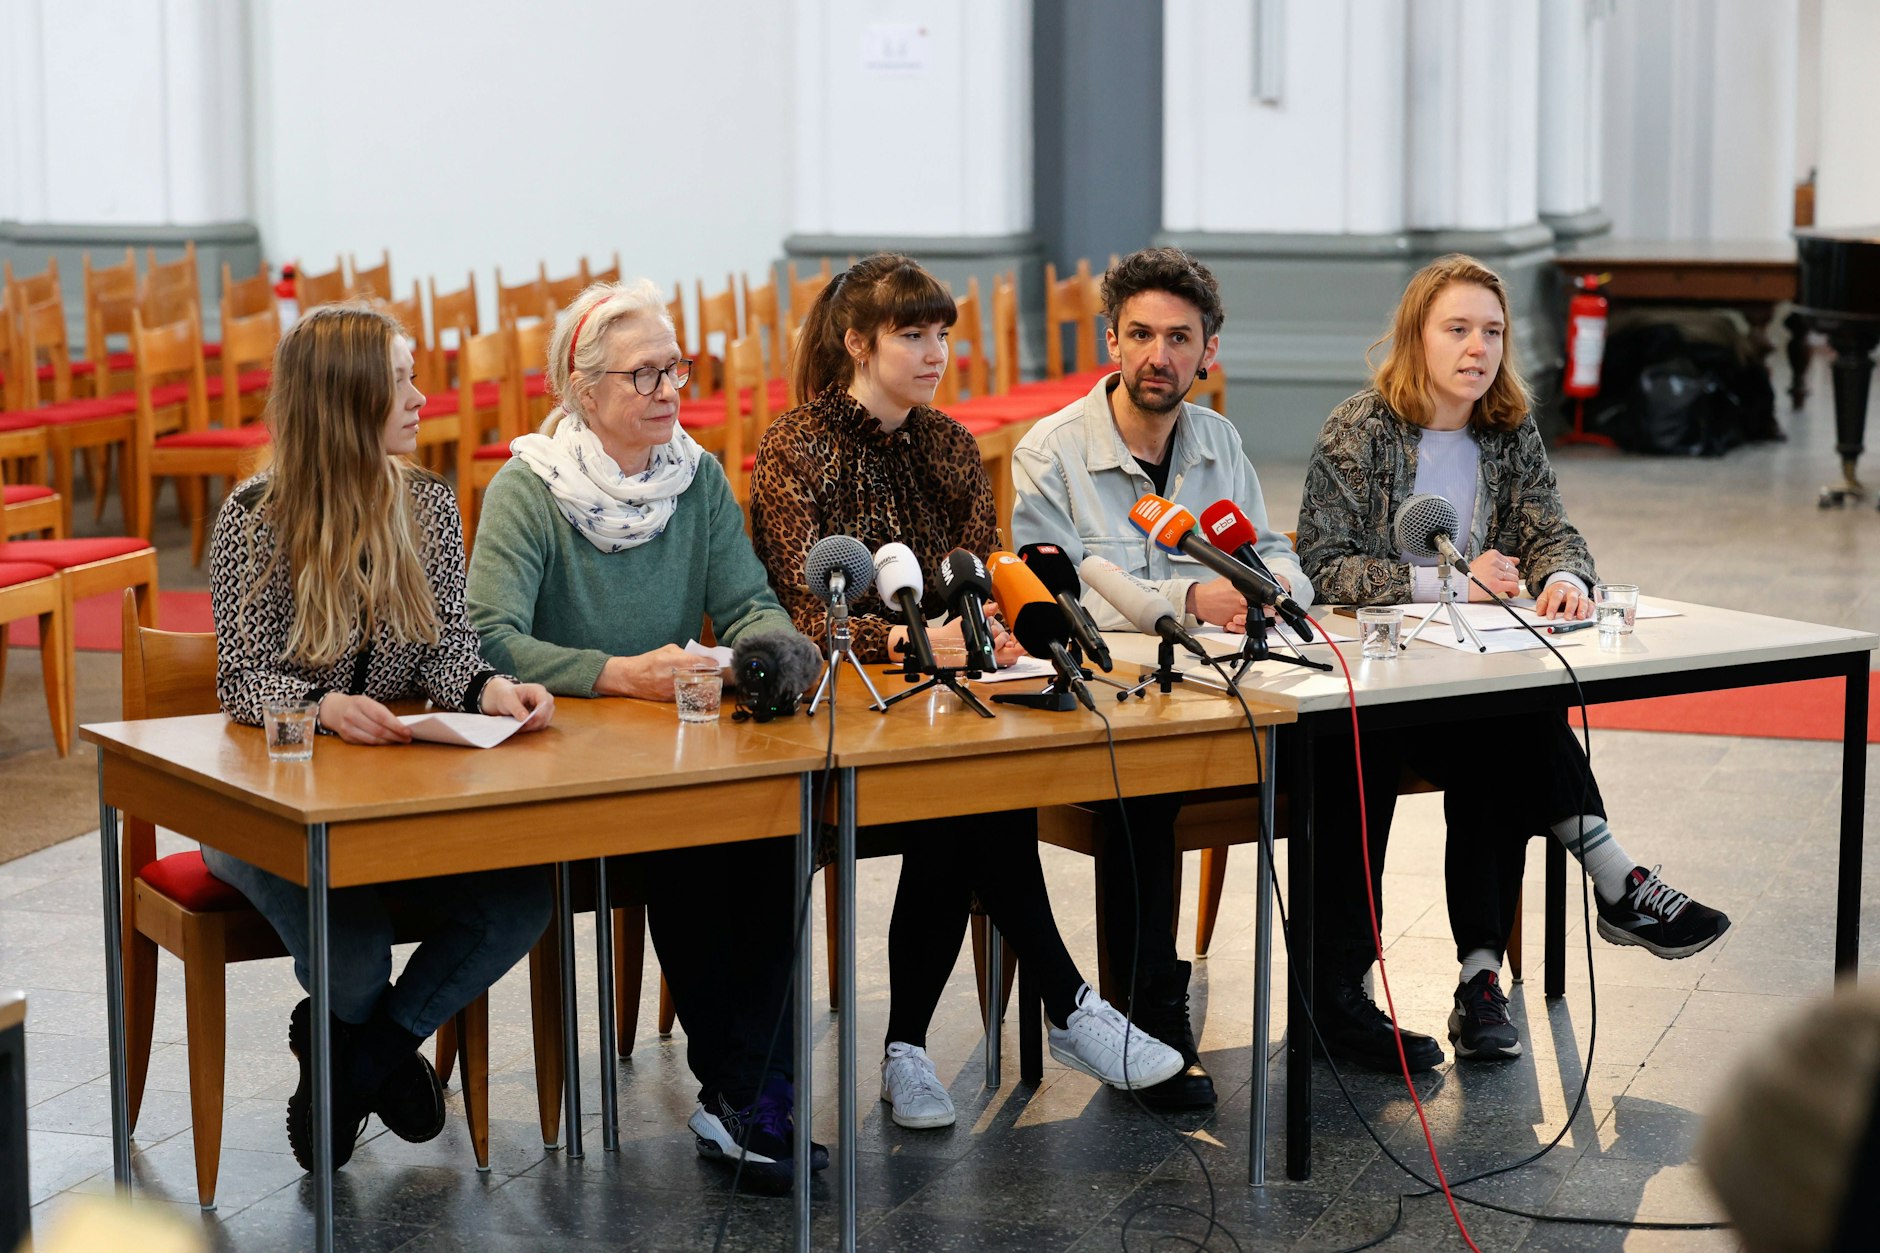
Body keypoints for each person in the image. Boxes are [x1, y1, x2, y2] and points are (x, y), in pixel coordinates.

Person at [748, 252, 1182, 1128]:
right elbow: (802, 609)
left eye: (942, 333)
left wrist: (987, 628)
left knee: (972, 789)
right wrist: (912, 637)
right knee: (972, 799)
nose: (936, 351)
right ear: (858, 343)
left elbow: (983, 570)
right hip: (843, 706)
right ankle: (1069, 1008)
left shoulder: (948, 443)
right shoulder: (798, 447)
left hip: (949, 700)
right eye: (913, 335)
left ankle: (914, 1049)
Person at [1296, 253, 1730, 1067]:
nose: (1477, 348)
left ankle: (1481, 978)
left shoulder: (1507, 427)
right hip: (1381, 691)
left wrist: (1562, 576)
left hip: (1467, 685)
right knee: (1514, 722)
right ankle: (1612, 879)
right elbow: (1321, 565)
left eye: (1491, 331)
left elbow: (1550, 529)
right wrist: (1444, 580)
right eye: (1457, 329)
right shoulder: (1359, 428)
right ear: (1415, 336)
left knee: (1510, 719)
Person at [465, 279, 818, 1194]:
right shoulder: (527, 488)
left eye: (676, 368)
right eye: (645, 374)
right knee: (697, 845)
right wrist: (619, 673)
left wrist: (765, 654)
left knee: (780, 828)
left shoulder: (695, 479)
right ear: (585, 392)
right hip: (562, 762)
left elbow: (749, 602)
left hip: (673, 743)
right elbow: (489, 636)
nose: (669, 390)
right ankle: (746, 1093)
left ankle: (751, 1093)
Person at [204, 304, 557, 1173]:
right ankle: (371, 1049)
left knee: (521, 900)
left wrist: (489, 687)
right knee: (355, 948)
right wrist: (320, 708)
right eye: (401, 379)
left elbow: (446, 651)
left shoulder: (427, 504)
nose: (422, 397)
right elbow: (239, 679)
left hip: (392, 800)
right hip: (266, 807)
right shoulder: (254, 518)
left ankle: (349, 1060)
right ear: (346, 396)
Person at [1010, 246, 1310, 1109]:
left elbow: (1273, 551)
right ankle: (1151, 1011)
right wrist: (1189, 594)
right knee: (1144, 783)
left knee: (1340, 756)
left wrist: (1274, 587)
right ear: (1111, 340)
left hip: (1213, 695)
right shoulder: (1051, 452)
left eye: (1180, 338)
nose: (1159, 355)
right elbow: (1054, 594)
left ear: (1208, 351)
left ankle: (1333, 999)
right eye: (1140, 333)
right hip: (1095, 712)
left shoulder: (1219, 441)